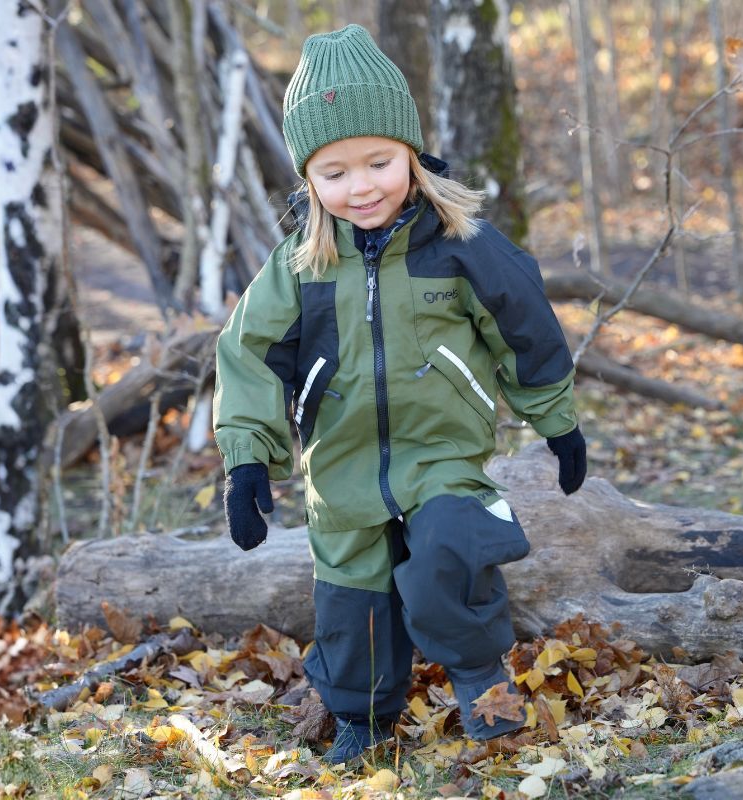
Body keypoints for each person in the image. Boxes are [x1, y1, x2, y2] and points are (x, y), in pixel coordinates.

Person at [213, 23, 586, 764]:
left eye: (379, 162)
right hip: (342, 469)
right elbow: (248, 355)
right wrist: (247, 460)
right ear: (308, 181)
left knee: (451, 552)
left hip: (440, 454)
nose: (361, 186)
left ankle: (484, 684)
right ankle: (365, 719)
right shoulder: (299, 264)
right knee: (355, 610)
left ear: (412, 153)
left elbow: (526, 330)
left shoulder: (462, 245)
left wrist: (558, 421)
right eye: (335, 172)